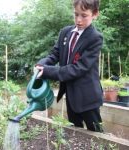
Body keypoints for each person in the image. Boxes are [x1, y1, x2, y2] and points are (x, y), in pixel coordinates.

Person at [34, 0, 104, 132]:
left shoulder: (95, 38)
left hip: (88, 97)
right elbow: (54, 54)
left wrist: (48, 71)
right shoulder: (65, 32)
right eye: (76, 14)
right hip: (71, 94)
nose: (78, 20)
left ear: (95, 14)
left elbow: (79, 68)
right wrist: (42, 64)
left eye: (84, 15)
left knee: (97, 134)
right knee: (75, 133)